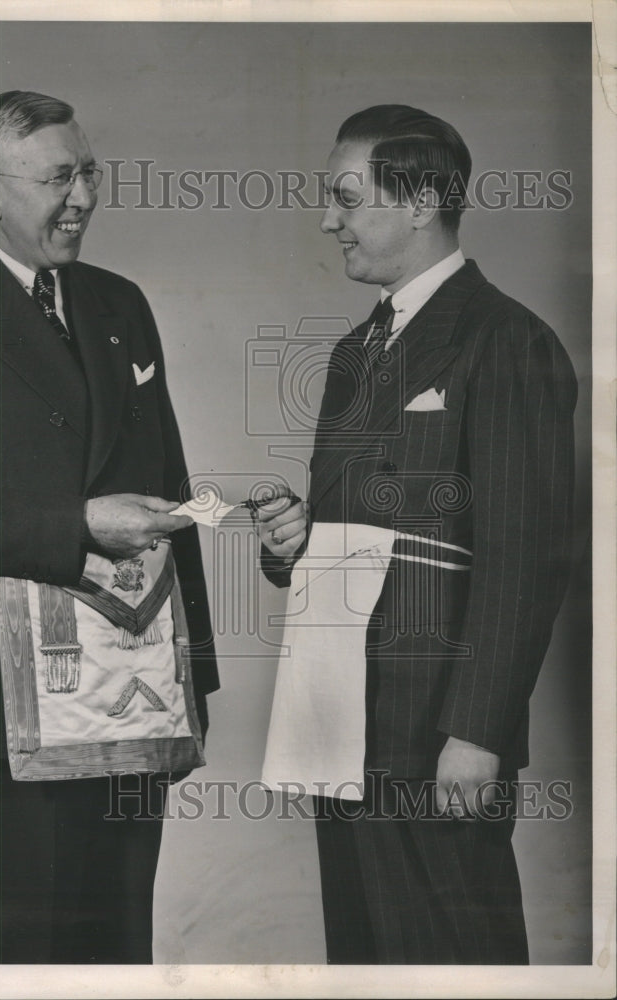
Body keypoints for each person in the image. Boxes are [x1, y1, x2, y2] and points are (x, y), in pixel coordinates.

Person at [0, 90, 218, 964]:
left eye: (89, 172)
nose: (86, 197)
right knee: (20, 956)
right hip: (5, 709)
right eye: (61, 177)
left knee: (118, 948)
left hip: (136, 695)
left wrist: (191, 687)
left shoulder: (119, 303)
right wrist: (76, 523)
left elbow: (171, 494)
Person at [256, 105, 577, 964]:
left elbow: (526, 557)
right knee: (360, 963)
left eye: (347, 198)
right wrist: (293, 539)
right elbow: (360, 533)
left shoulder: (509, 340)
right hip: (340, 725)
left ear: (423, 198)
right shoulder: (352, 354)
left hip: (436, 732)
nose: (329, 220)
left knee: (454, 966)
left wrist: (475, 735)